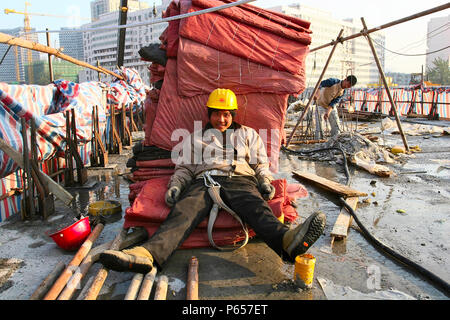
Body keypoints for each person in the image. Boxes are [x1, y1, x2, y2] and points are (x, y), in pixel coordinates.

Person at [100, 89, 326, 274]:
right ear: (209, 114)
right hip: (204, 182)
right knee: (183, 212)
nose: (222, 119)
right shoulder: (195, 138)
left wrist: (265, 181)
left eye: (226, 114)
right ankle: (148, 255)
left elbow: (260, 165)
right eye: (217, 114)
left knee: (257, 208)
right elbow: (185, 168)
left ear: (233, 114)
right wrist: (176, 185)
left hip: (240, 180)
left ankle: (287, 242)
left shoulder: (249, 135)